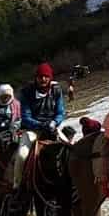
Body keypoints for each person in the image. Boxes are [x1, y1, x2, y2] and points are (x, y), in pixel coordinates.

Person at [14, 63, 66, 191]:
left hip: (52, 127)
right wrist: (42, 125)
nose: (43, 79)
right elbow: (26, 116)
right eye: (40, 76)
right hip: (32, 130)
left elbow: (60, 112)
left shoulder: (56, 90)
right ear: (36, 78)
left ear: (50, 77)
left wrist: (54, 122)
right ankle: (18, 184)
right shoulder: (26, 92)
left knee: (70, 147)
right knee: (22, 154)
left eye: (46, 77)